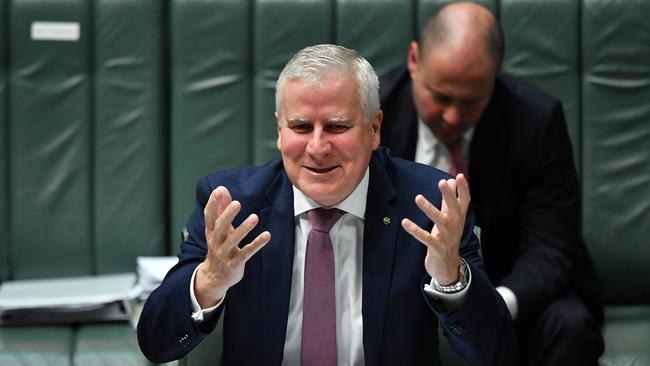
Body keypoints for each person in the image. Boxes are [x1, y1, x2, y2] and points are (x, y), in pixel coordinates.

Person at [138, 43, 516, 365]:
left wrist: (451, 279)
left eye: (336, 127)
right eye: (301, 127)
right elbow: (156, 343)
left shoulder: (430, 205)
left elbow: (497, 352)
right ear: (280, 129)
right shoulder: (234, 207)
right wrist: (208, 282)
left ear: (373, 128)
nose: (317, 148)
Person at [379, 2, 604, 365]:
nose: (452, 117)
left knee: (570, 324)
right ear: (414, 60)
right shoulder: (374, 114)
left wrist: (491, 308)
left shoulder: (536, 121)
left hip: (507, 290)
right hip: (393, 302)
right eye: (440, 97)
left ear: (494, 78)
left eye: (469, 102)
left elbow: (552, 249)